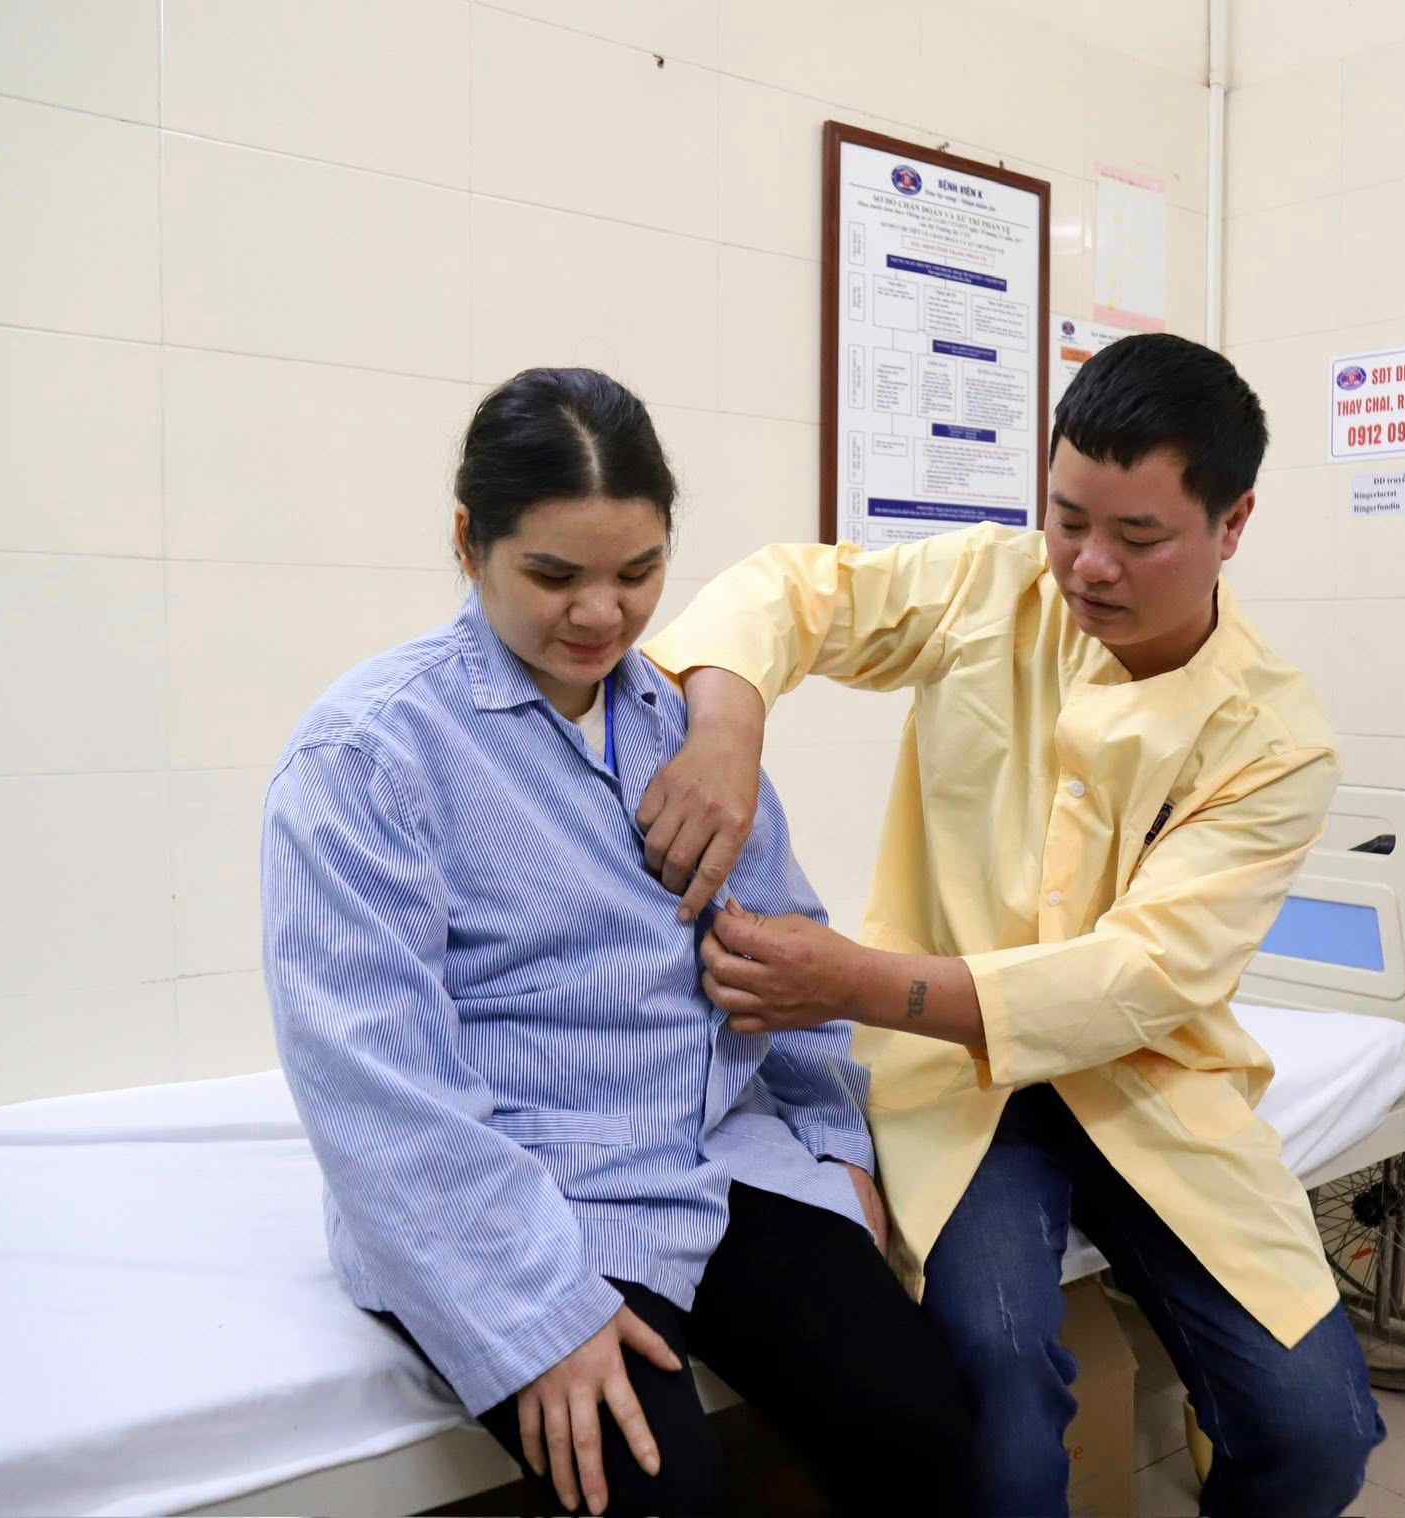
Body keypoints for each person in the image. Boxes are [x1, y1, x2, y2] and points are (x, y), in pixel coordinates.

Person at [637, 333, 1387, 1517]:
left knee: (1314, 1435)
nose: (1087, 565)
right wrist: (724, 730)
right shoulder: (991, 590)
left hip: (1145, 1080)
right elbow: (787, 592)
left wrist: (849, 983)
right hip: (957, 1078)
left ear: (1232, 524)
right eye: (1065, 517)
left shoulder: (1272, 738)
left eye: (1137, 537)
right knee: (997, 1398)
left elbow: (1138, 981)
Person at [261, 368, 971, 1518]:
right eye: (554, 576)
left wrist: (832, 1142)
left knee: (928, 1428)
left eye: (636, 574)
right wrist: (534, 1314)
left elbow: (783, 952)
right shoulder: (370, 758)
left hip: (710, 1152)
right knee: (657, 1489)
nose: (600, 615)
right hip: (520, 1184)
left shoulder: (685, 732)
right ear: (468, 543)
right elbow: (371, 1082)